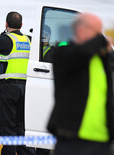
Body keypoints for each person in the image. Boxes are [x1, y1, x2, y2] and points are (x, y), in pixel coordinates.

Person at [47, 13, 114, 155]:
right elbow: (80, 53)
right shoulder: (64, 52)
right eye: (97, 32)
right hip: (72, 140)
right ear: (80, 30)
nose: (100, 37)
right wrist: (100, 42)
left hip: (101, 141)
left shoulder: (101, 58)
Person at [0, 11, 35, 155]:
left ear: (6, 24)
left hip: (8, 89)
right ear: (21, 25)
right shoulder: (28, 40)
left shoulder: (5, 39)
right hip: (26, 89)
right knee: (21, 128)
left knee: (7, 128)